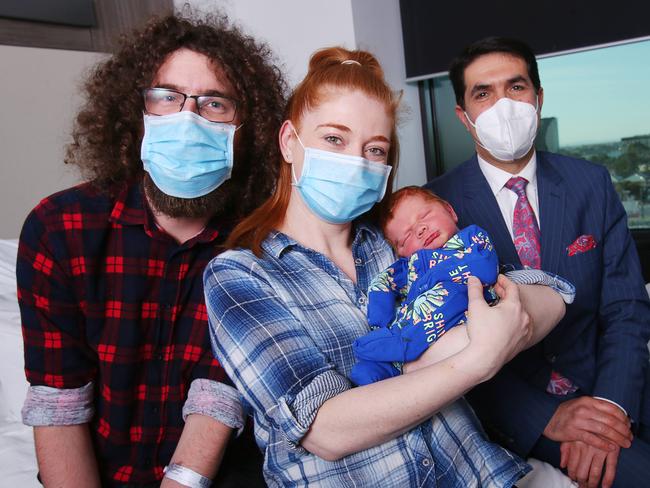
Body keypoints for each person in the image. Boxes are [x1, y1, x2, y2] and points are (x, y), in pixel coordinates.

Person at [204, 46, 566, 487]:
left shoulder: (397, 244)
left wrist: (498, 318)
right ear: (288, 142)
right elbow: (326, 430)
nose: (356, 162)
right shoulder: (239, 275)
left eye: (374, 149)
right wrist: (478, 357)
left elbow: (549, 292)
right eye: (334, 139)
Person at [16, 14, 286, 487]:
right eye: (166, 96)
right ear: (134, 112)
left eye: (214, 103)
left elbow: (217, 397)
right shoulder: (60, 228)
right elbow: (59, 399)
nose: (188, 119)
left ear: (248, 128)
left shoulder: (259, 240)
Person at [426, 36, 650, 488]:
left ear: (538, 97)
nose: (503, 105)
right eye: (483, 94)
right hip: (523, 409)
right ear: (463, 118)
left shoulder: (591, 183)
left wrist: (611, 406)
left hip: (610, 384)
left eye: (517, 87)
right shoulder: (436, 208)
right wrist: (546, 418)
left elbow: (626, 309)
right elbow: (442, 349)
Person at [351, 186, 574, 386]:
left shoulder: (471, 239)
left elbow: (484, 269)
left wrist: (433, 274)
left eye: (425, 216)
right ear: (400, 252)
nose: (420, 230)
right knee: (375, 358)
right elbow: (382, 285)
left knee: (448, 297)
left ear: (450, 211)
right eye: (406, 237)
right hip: (418, 319)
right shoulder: (408, 265)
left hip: (465, 306)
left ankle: (403, 347)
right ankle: (387, 362)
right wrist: (379, 324)